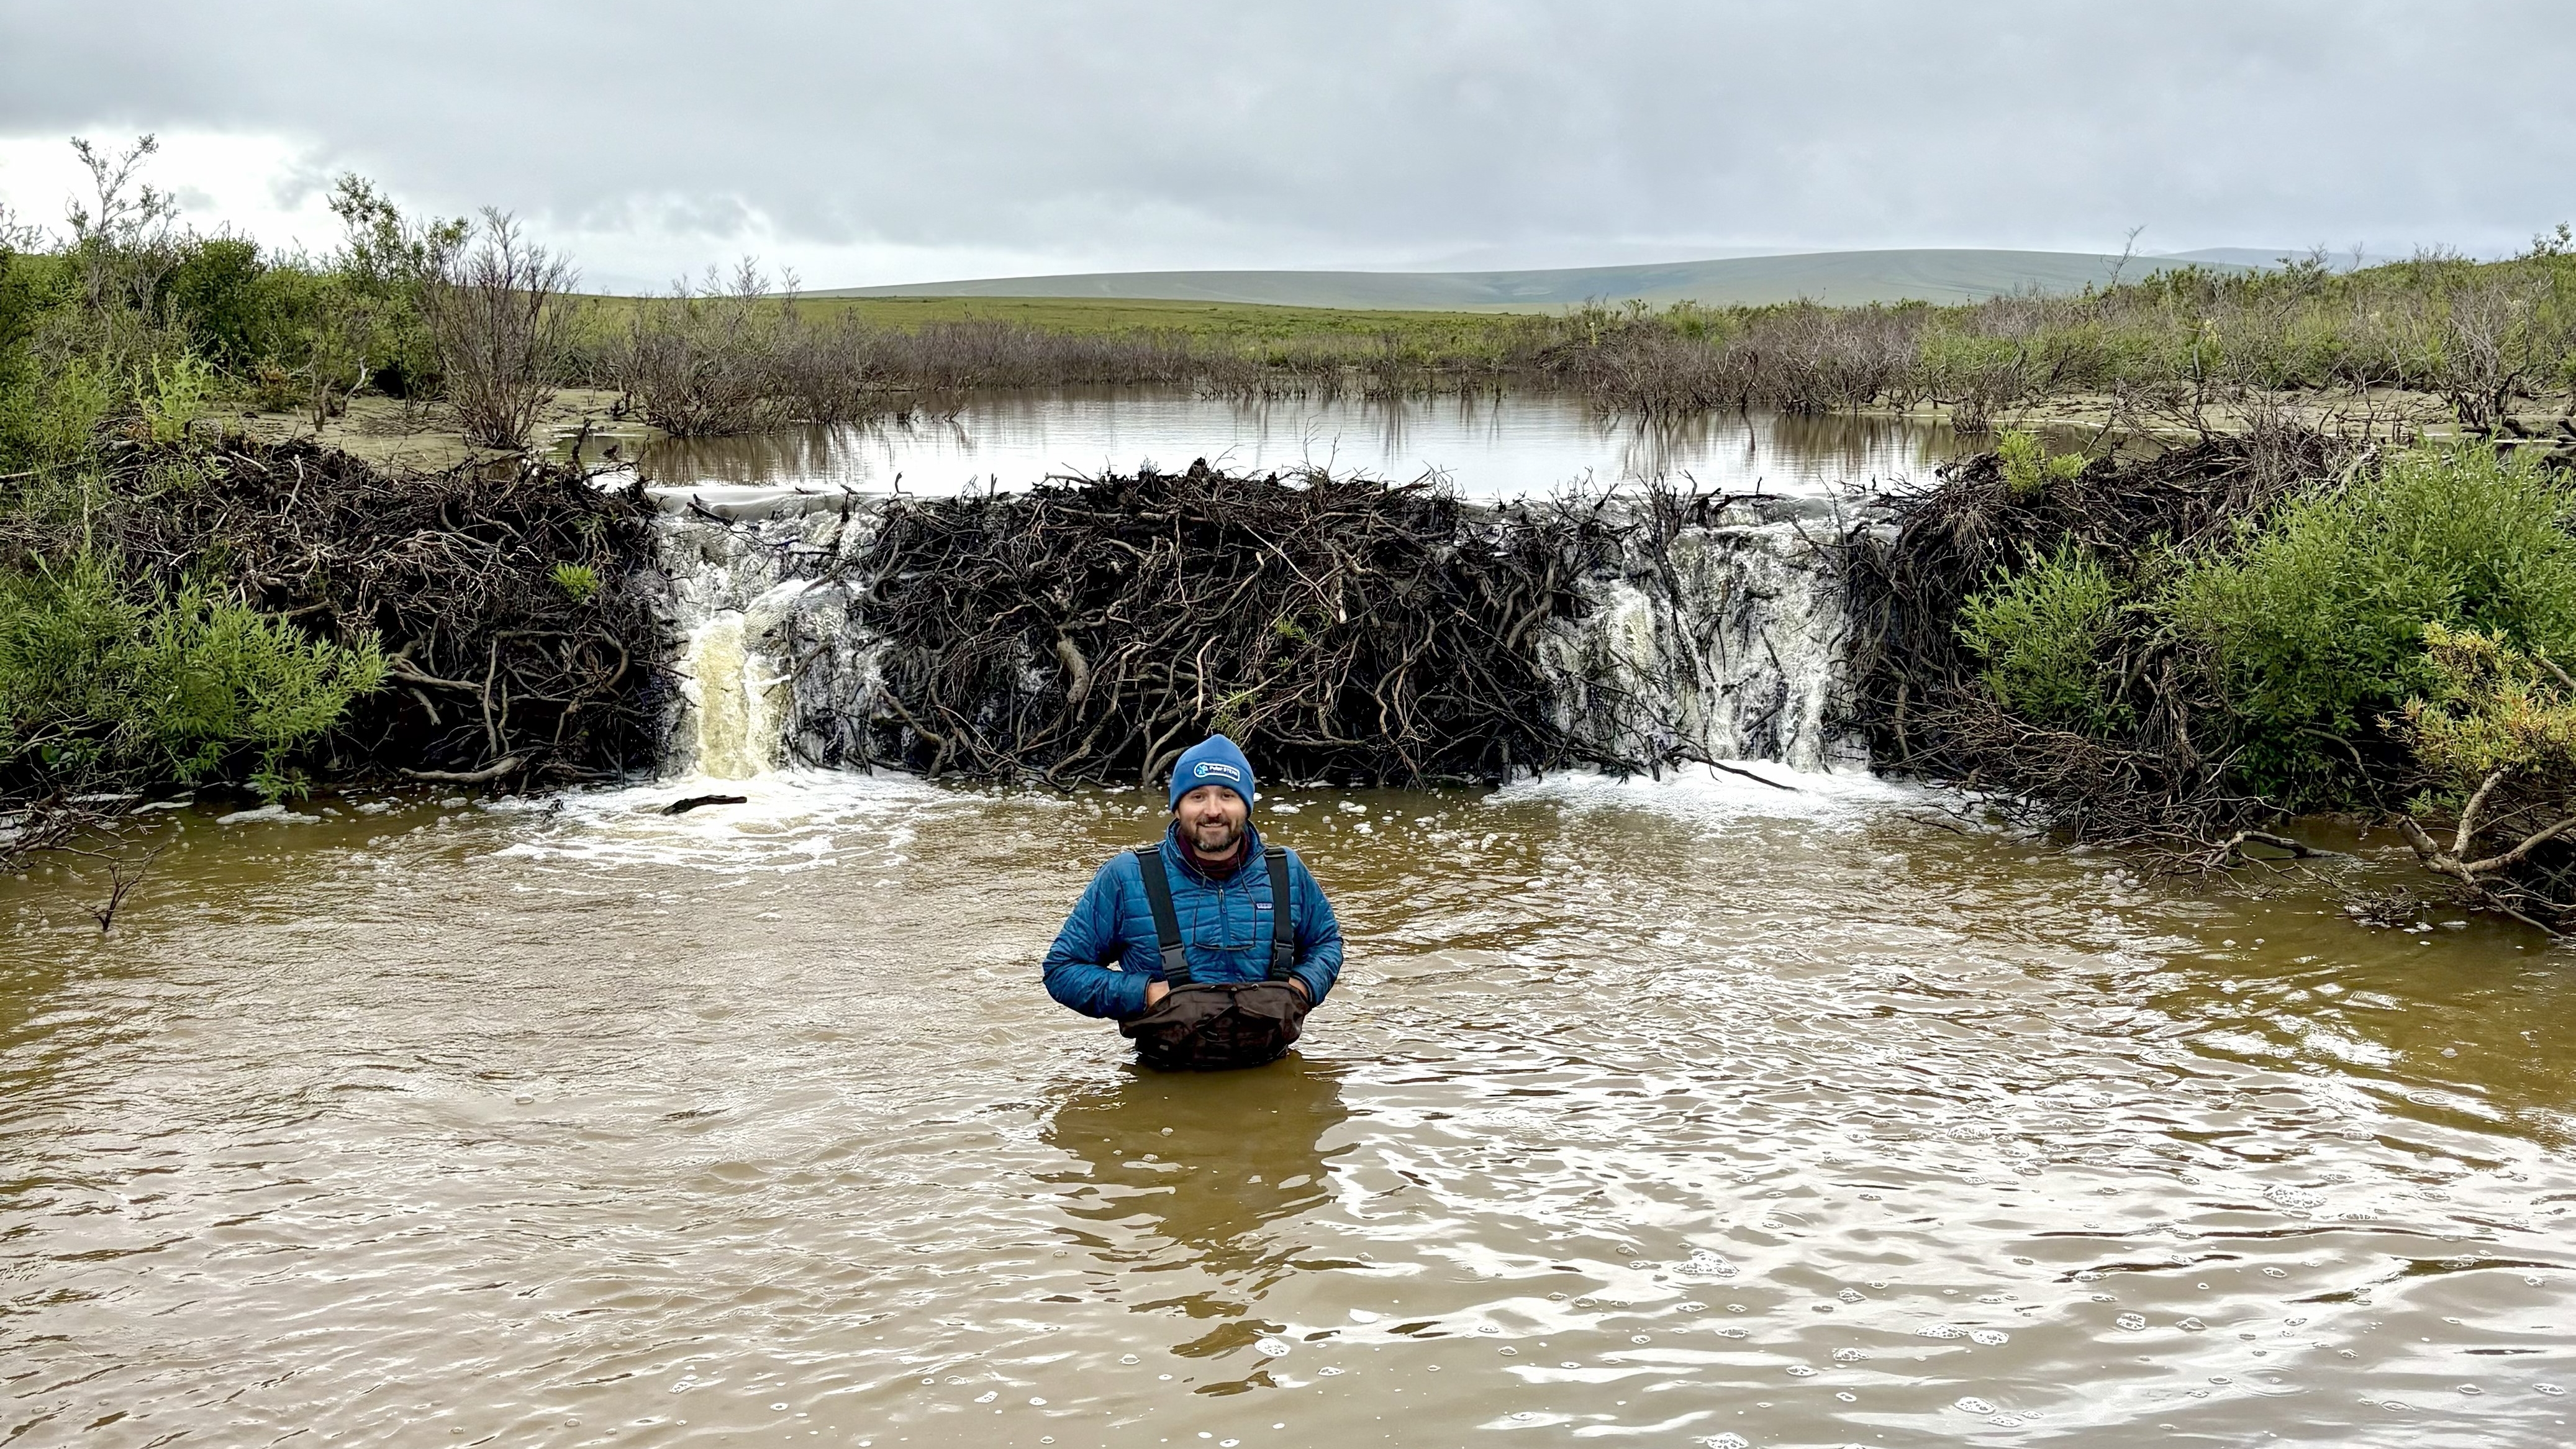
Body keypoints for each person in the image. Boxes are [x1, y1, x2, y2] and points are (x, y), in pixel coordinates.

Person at [1041, 735, 1343, 1069]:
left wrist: (1302, 987)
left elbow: (1325, 943)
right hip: (1163, 1079)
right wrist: (1145, 994)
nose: (1213, 811)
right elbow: (1062, 970)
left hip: (1272, 1067)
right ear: (1176, 806)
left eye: (1227, 796)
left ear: (1246, 805)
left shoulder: (1286, 869)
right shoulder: (1126, 876)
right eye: (1198, 796)